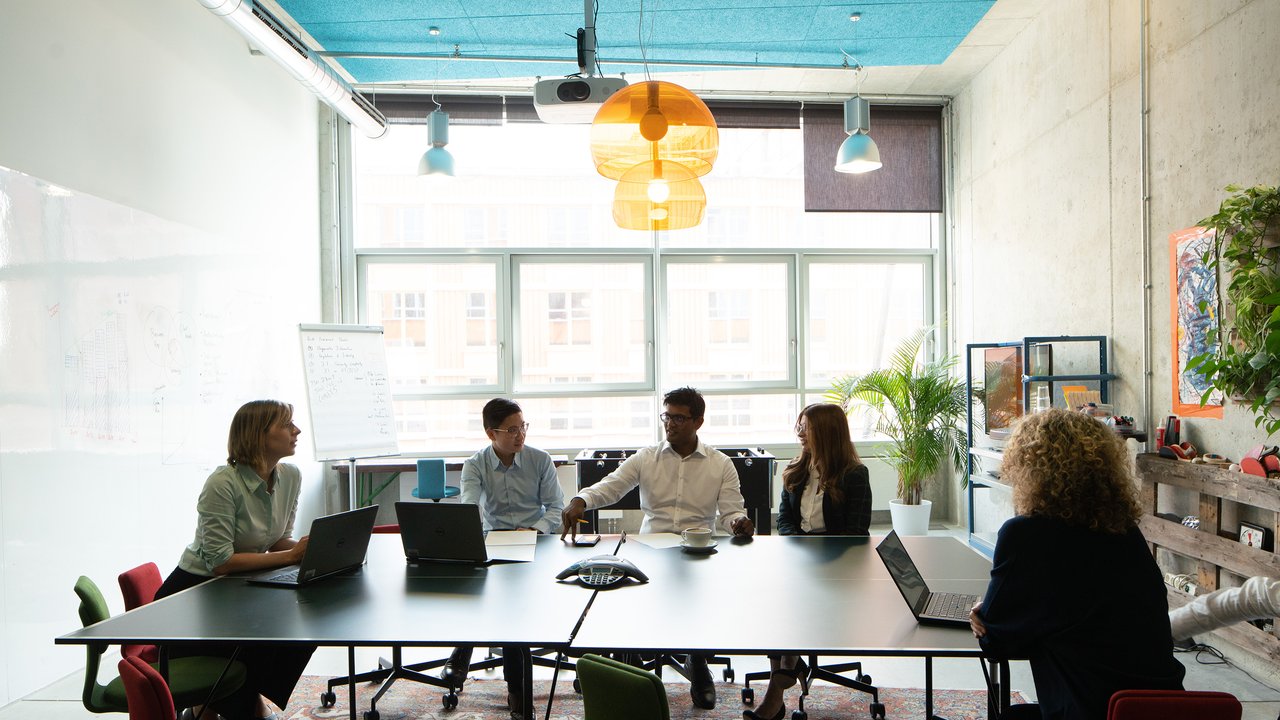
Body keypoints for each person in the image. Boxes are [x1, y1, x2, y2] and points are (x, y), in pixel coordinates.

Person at [968, 409, 1185, 720]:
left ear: (1031, 470)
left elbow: (998, 643)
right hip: (1157, 708)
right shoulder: (1125, 532)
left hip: (1091, 708)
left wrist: (983, 619)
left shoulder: (1026, 535)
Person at [561, 386, 754, 710]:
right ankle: (633, 665)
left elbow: (731, 511)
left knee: (697, 602)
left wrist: (738, 522)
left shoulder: (720, 464)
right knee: (623, 591)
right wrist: (581, 499)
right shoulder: (646, 457)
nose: (671, 424)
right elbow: (611, 486)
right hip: (649, 547)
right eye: (667, 416)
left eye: (679, 418)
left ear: (698, 421)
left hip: (696, 550)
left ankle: (698, 664)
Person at [154, 400, 315, 720]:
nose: (296, 430)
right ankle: (225, 705)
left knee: (300, 629)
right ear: (259, 435)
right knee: (257, 642)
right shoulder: (222, 483)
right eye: (286, 424)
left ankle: (220, 704)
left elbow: (277, 539)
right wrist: (292, 555)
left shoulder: (291, 475)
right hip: (197, 593)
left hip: (239, 585)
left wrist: (307, 550)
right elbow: (220, 562)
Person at [746, 402, 873, 720]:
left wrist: (817, 554)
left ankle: (776, 692)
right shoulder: (795, 469)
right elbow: (784, 521)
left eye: (806, 426)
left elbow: (856, 532)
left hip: (837, 566)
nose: (799, 432)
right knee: (770, 603)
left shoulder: (854, 475)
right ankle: (788, 666)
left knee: (789, 605)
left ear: (827, 432)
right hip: (796, 559)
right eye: (798, 425)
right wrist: (796, 547)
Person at [441, 398, 565, 718]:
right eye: (511, 430)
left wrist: (533, 530)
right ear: (490, 434)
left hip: (537, 543)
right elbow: (470, 507)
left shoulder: (540, 460)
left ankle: (513, 687)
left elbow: (555, 509)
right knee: (475, 587)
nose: (520, 435)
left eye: (522, 427)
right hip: (495, 542)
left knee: (513, 611)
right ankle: (472, 656)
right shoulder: (475, 464)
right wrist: (481, 537)